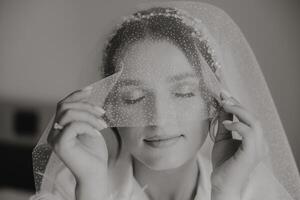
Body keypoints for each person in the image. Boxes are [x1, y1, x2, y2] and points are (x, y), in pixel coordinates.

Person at [30, 4, 295, 200]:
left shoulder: (256, 191)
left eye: (183, 93)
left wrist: (226, 192)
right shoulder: (70, 188)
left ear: (215, 102)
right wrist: (91, 187)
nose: (159, 118)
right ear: (108, 108)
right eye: (133, 97)